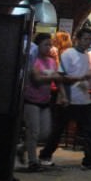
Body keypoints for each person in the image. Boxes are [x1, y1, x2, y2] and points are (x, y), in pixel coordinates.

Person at [37, 26, 91, 171]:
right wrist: (63, 94)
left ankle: (89, 161)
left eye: (90, 39)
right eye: (85, 39)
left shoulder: (86, 55)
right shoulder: (68, 54)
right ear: (77, 39)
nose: (88, 42)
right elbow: (60, 77)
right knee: (58, 130)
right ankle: (45, 155)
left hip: (84, 99)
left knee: (88, 132)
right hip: (69, 99)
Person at [21, 32, 58, 172]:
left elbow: (56, 77)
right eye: (46, 44)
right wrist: (51, 77)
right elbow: (36, 79)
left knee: (45, 132)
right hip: (31, 99)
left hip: (45, 100)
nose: (49, 48)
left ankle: (23, 147)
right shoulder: (32, 60)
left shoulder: (51, 61)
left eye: (50, 45)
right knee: (34, 131)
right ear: (38, 46)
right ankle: (33, 161)